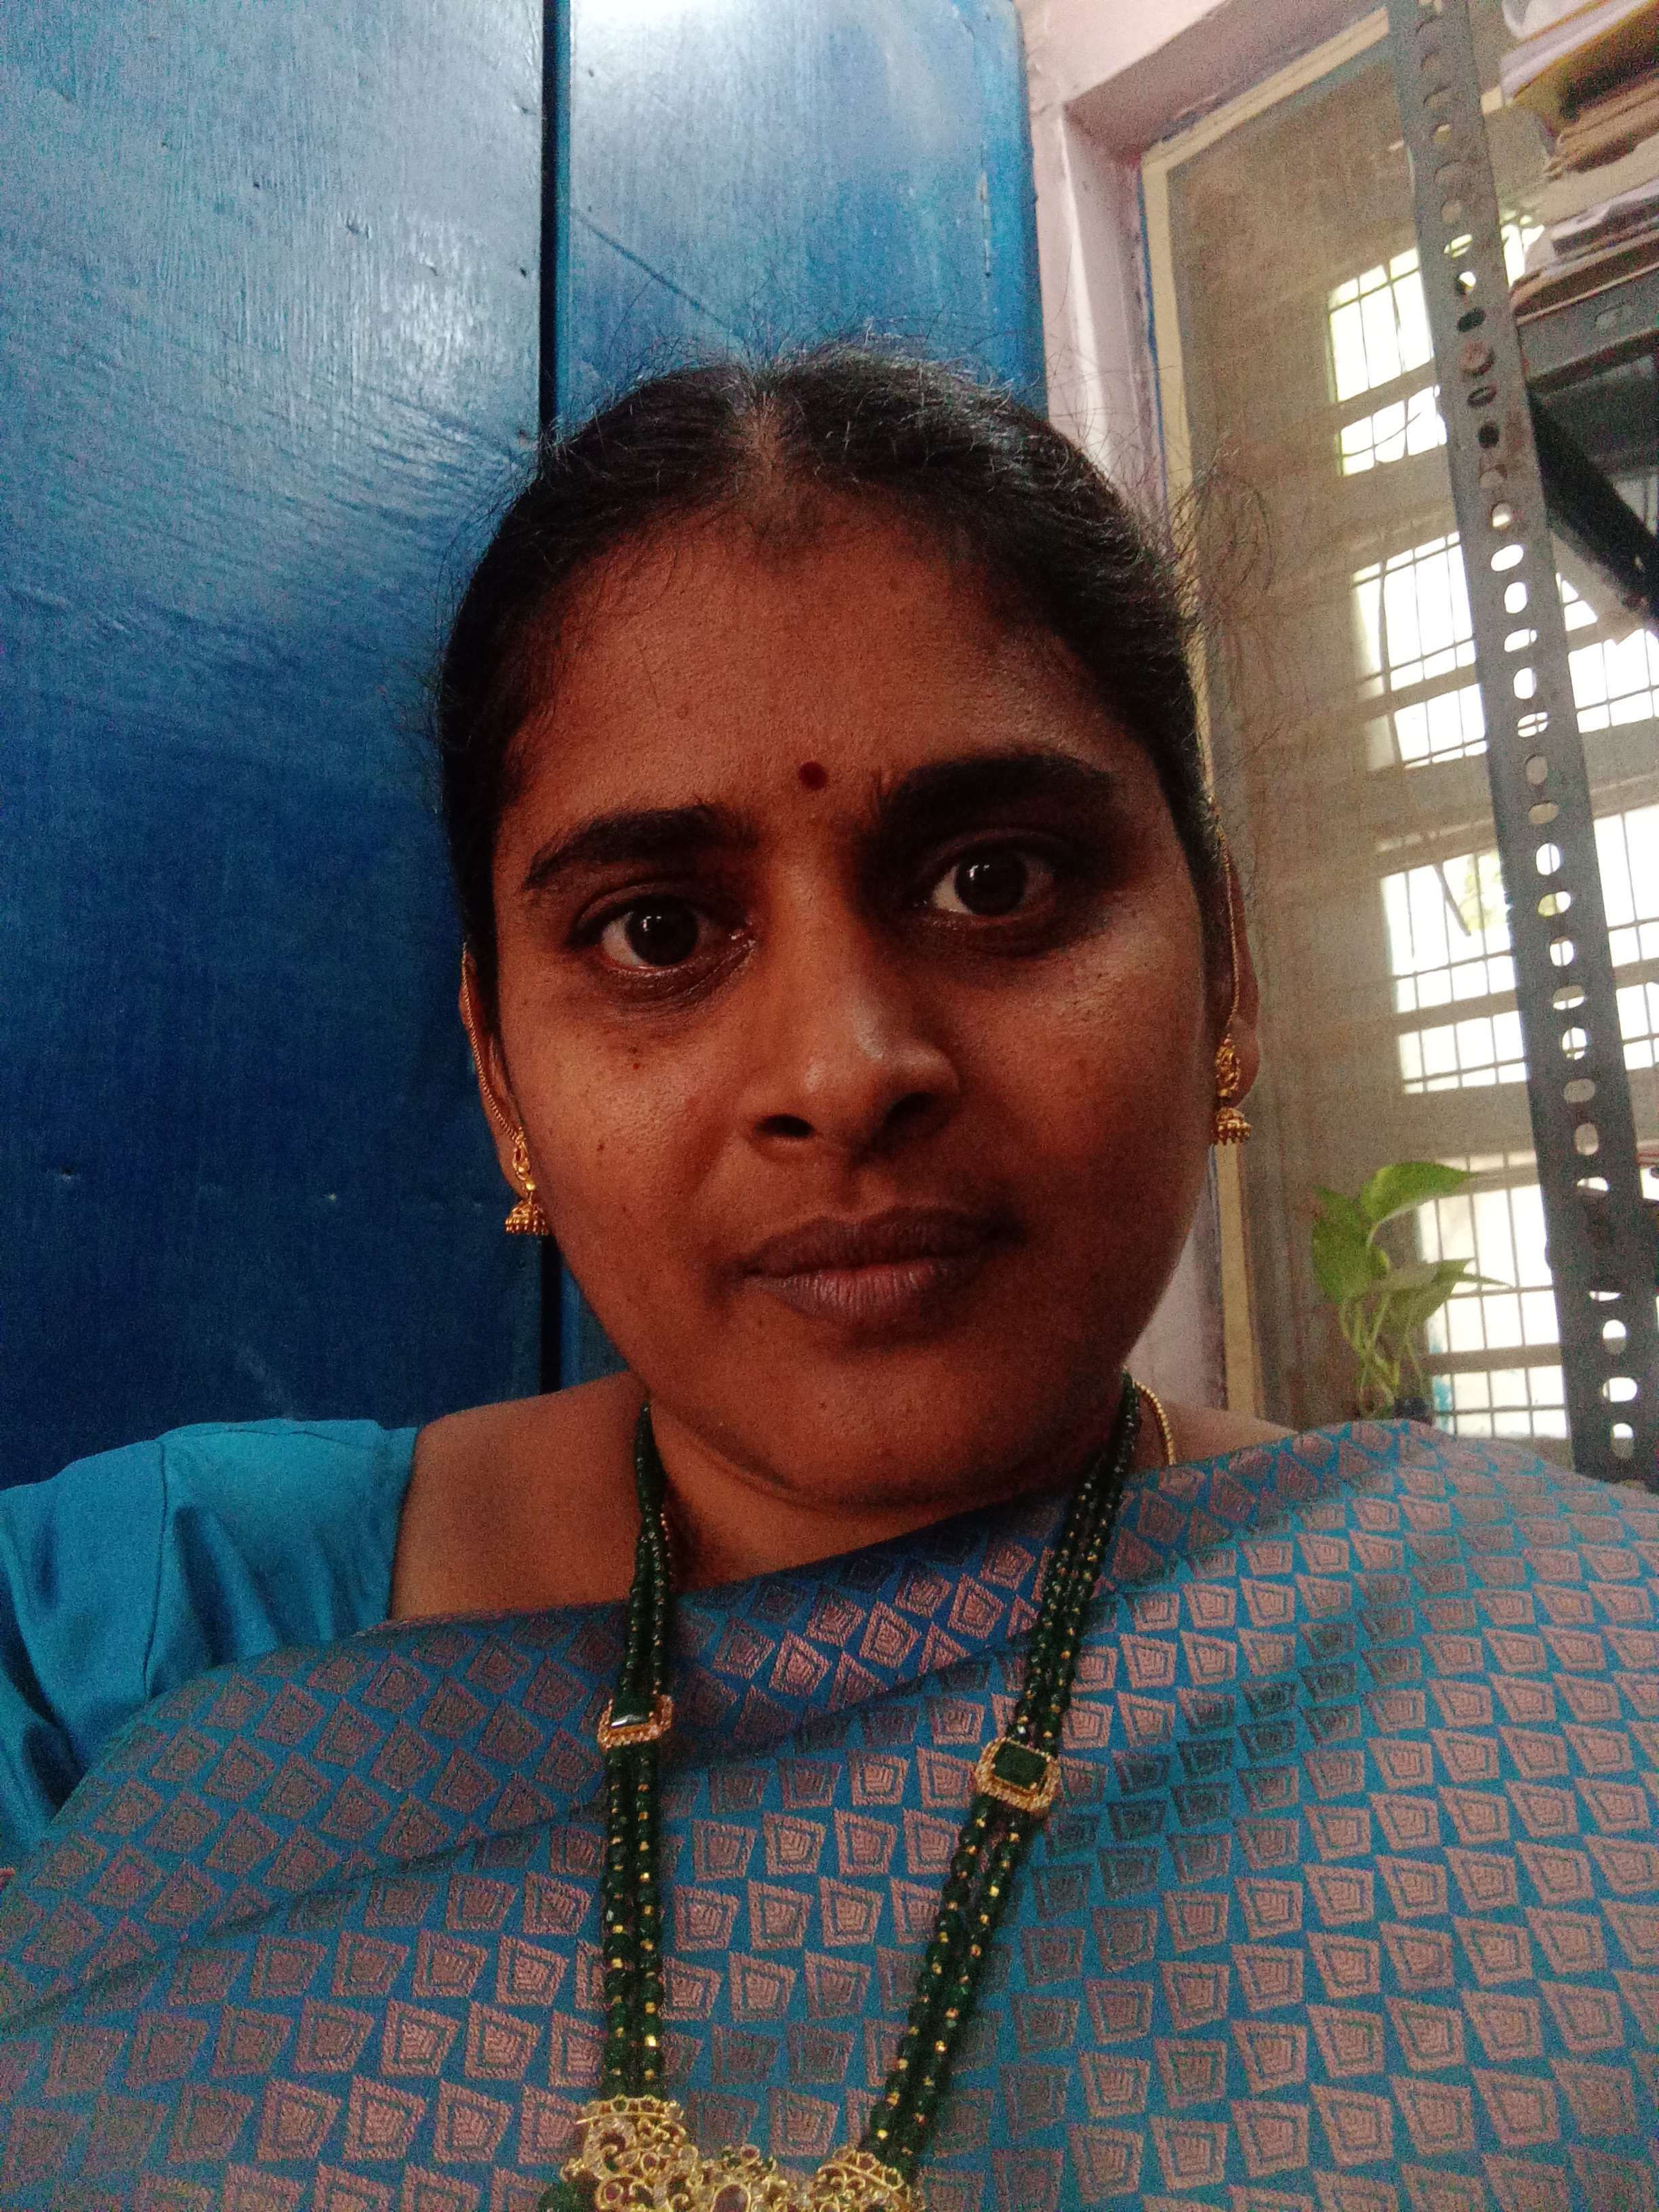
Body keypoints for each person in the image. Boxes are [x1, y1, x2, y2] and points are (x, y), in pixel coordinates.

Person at [0, 350, 1653, 2209]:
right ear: (501, 1077)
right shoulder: (118, 1641)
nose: (846, 1068)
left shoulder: (1580, 1684)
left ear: (1230, 977)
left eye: (996, 882)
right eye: (658, 931)